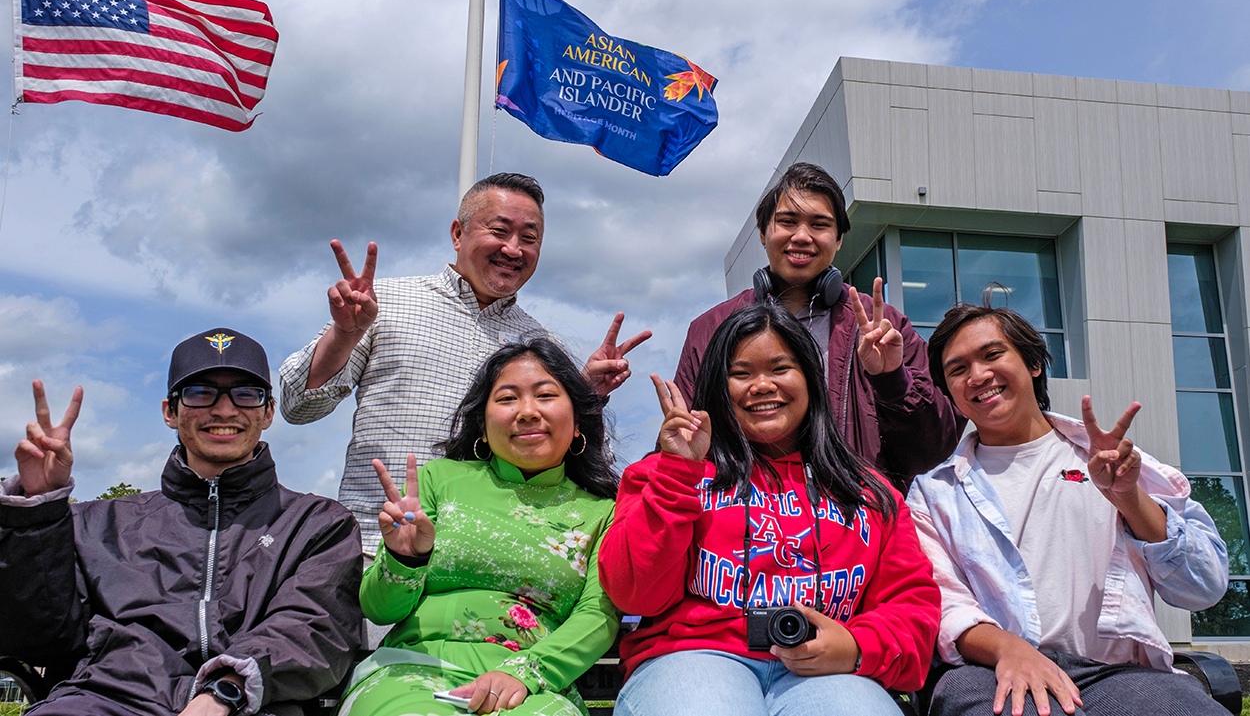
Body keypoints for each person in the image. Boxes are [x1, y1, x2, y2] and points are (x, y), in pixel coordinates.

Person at [0, 328, 363, 716]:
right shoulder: (96, 523)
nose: (224, 410)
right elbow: (36, 636)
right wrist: (36, 511)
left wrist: (227, 688)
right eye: (200, 392)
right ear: (170, 411)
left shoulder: (318, 525)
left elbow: (315, 630)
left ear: (268, 411)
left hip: (254, 704)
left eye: (245, 393)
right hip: (105, 701)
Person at [599, 304, 940, 716]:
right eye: (741, 373)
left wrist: (856, 646)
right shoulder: (664, 474)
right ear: (718, 388)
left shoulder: (872, 493)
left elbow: (911, 607)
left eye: (780, 368)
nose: (762, 385)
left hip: (828, 673)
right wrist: (677, 474)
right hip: (693, 657)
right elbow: (636, 593)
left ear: (810, 379)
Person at [280, 172, 649, 553]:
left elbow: (561, 457)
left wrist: (584, 392)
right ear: (458, 233)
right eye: (500, 230)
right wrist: (344, 334)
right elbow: (298, 407)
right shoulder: (381, 304)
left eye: (529, 238)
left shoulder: (540, 346)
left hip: (486, 563)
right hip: (374, 548)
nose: (513, 248)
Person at [906, 304, 1229, 716]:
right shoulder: (934, 493)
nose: (978, 376)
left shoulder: (1112, 461)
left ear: (1034, 363)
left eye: (992, 355)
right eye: (957, 369)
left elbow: (1205, 586)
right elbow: (942, 603)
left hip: (1117, 674)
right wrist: (1010, 650)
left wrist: (1129, 498)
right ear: (949, 390)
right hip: (991, 670)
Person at [337, 338, 620, 716]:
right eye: (507, 399)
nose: (527, 412)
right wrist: (405, 558)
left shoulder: (604, 512)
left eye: (546, 395)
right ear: (483, 427)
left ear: (577, 421)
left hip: (532, 686)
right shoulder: (438, 480)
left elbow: (597, 614)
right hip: (412, 670)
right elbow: (379, 609)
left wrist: (526, 673)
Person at [674, 162, 961, 489]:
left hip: (855, 523)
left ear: (838, 240)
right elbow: (681, 444)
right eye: (787, 221)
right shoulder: (710, 329)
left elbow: (935, 451)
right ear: (763, 232)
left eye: (819, 224)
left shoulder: (884, 327)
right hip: (743, 522)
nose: (801, 236)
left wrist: (892, 380)